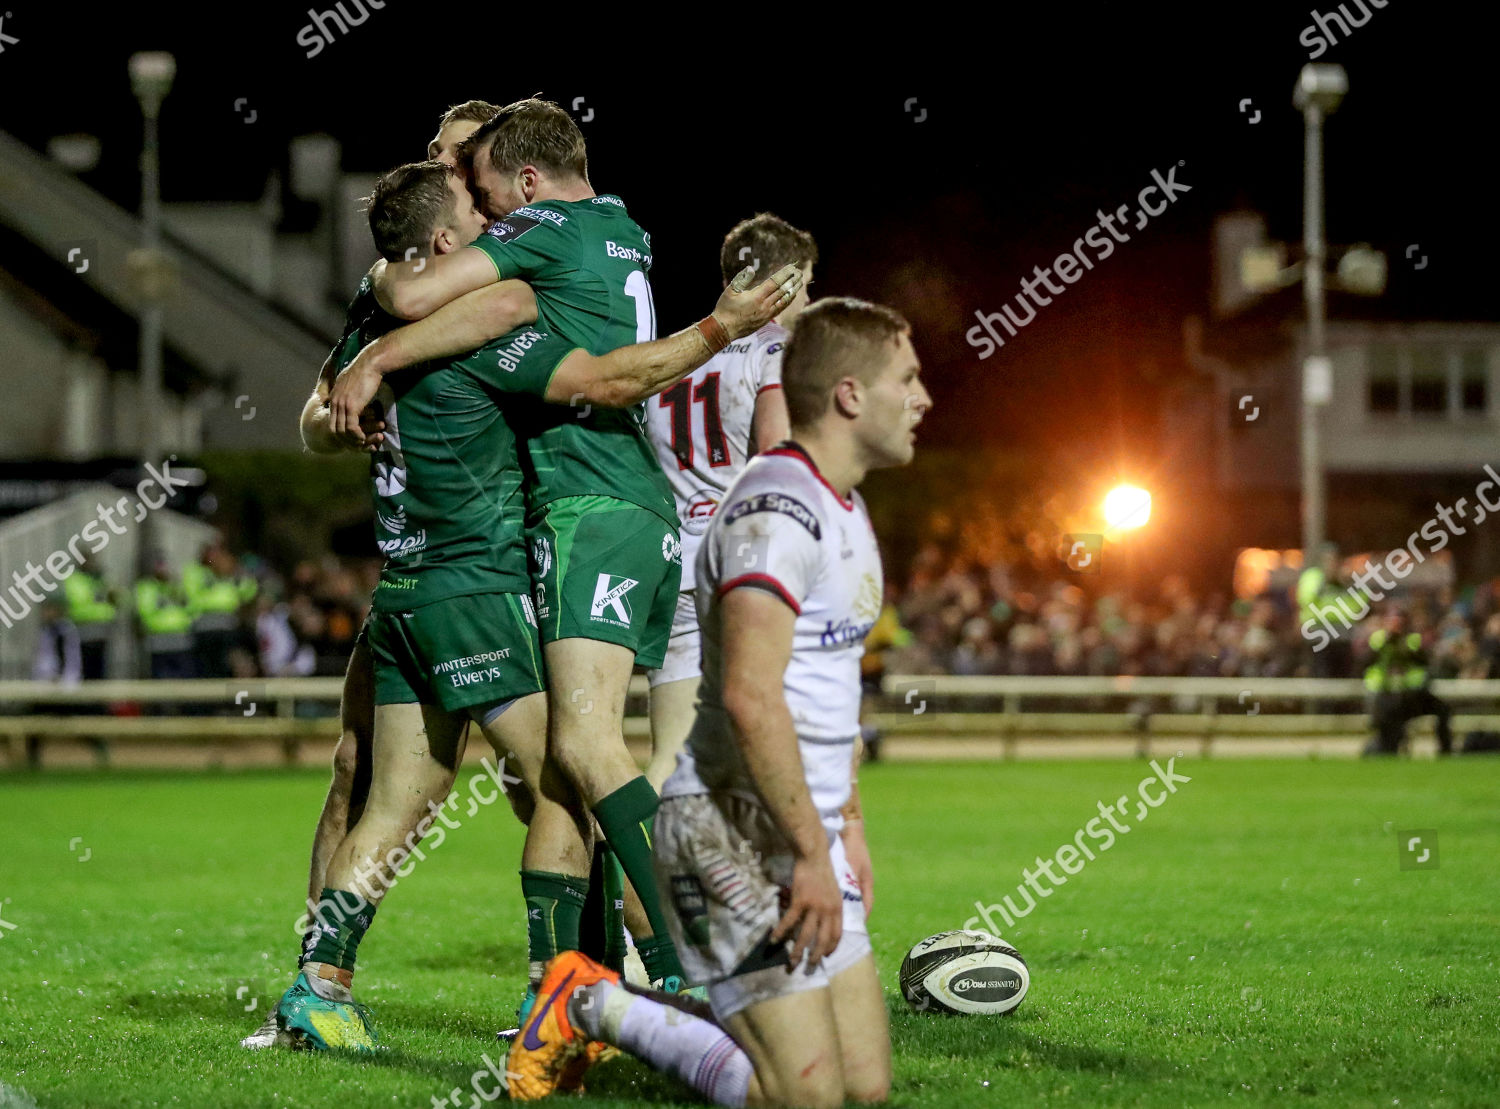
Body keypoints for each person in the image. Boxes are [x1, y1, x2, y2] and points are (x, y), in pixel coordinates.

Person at [270, 159, 804, 1052]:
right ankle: (639, 973)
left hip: (402, 592)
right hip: (474, 589)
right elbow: (599, 378)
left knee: (398, 800)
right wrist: (719, 327)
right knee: (576, 767)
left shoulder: (374, 315)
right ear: (444, 246)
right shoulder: (490, 324)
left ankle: (319, 986)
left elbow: (325, 410)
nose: (497, 236)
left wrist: (375, 338)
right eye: (477, 223)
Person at [328, 98, 741, 999]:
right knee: (554, 768)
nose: (475, 204)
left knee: (572, 760)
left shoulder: (521, 263)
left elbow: (421, 299)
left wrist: (375, 352)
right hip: (545, 538)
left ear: (513, 180)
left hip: (565, 520)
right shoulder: (615, 230)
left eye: (469, 177)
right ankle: (583, 982)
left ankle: (671, 965)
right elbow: (325, 416)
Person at [507, 297, 931, 1107]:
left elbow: (829, 694)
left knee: (864, 1088)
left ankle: (590, 998)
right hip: (727, 833)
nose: (923, 398)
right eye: (906, 379)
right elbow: (748, 694)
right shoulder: (777, 510)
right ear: (849, 394)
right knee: (801, 1098)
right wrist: (813, 851)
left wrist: (848, 832)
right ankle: (588, 1000)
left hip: (798, 824)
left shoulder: (846, 504)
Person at [241, 99, 504, 1051]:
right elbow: (315, 416)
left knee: (556, 779)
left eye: (451, 154)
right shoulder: (398, 274)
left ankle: (615, 974)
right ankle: (312, 988)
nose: (438, 162)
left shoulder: (527, 252)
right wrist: (350, 410)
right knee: (361, 768)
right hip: (426, 570)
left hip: (513, 563)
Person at [643, 213, 814, 789]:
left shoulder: (672, 354)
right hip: (743, 566)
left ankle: (634, 880)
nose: (810, 300)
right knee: (775, 745)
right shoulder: (776, 351)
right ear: (784, 282)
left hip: (676, 566)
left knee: (670, 755)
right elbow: (777, 457)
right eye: (807, 284)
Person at [1364, 610, 1453, 756]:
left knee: (1443, 710)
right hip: (1386, 694)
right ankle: (1387, 751)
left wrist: (1404, 649)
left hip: (1413, 694)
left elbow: (1424, 661)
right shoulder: (1378, 640)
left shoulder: (1412, 640)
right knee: (1390, 726)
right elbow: (1365, 661)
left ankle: (1446, 751)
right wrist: (1386, 644)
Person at [61, 556, 118, 680]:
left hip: (102, 634)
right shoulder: (75, 580)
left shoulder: (100, 580)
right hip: (82, 635)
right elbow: (80, 604)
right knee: (83, 671)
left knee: (101, 672)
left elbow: (117, 600)